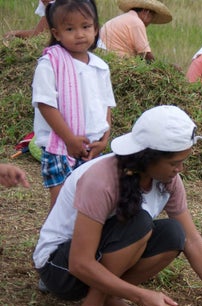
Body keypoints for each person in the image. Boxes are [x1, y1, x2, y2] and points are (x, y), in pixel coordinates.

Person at [32, 105, 202, 306]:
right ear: (147, 157)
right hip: (61, 269)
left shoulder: (168, 181)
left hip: (94, 262)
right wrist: (139, 295)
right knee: (139, 222)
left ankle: (108, 299)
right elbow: (79, 262)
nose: (180, 170)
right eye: (175, 163)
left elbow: (192, 240)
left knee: (174, 234)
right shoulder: (101, 180)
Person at [32, 0, 115, 210]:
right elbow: (45, 104)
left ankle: (81, 241)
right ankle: (55, 242)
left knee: (89, 202)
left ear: (96, 28)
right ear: (57, 33)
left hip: (92, 146)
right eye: (70, 28)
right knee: (62, 204)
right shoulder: (49, 63)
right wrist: (69, 140)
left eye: (86, 27)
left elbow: (106, 104)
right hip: (60, 146)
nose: (79, 34)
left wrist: (104, 139)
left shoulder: (100, 67)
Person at [98, 0, 172, 62]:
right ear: (146, 12)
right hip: (117, 59)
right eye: (152, 16)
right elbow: (145, 54)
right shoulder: (137, 23)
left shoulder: (124, 18)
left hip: (104, 56)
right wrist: (161, 68)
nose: (151, 21)